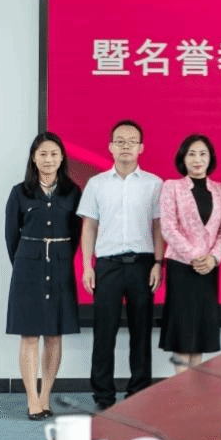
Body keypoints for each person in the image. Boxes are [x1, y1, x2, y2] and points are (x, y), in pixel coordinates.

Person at [77, 120, 163, 410]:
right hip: (108, 265)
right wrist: (87, 266)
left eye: (132, 141)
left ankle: (139, 393)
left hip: (142, 264)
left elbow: (158, 227)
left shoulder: (154, 184)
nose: (126, 145)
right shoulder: (97, 184)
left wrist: (158, 263)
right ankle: (103, 397)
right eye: (120, 141)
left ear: (141, 147)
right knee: (104, 333)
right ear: (111, 147)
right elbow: (89, 226)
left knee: (141, 332)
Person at [5, 132, 82, 420]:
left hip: (60, 267)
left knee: (54, 335)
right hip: (28, 268)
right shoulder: (19, 192)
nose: (48, 159)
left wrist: (60, 257)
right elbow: (11, 237)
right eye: (43, 154)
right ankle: (32, 399)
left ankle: (46, 396)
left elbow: (76, 234)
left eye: (53, 154)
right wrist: (26, 262)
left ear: (61, 158)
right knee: (29, 335)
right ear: (33, 158)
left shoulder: (73, 192)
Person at [159, 134, 221, 370]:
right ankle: (181, 388)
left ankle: (195, 388)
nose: (198, 159)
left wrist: (213, 258)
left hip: (208, 269)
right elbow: (168, 227)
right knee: (183, 333)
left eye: (203, 154)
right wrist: (195, 256)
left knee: (200, 335)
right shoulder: (172, 187)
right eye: (192, 154)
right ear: (183, 158)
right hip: (182, 268)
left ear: (210, 158)